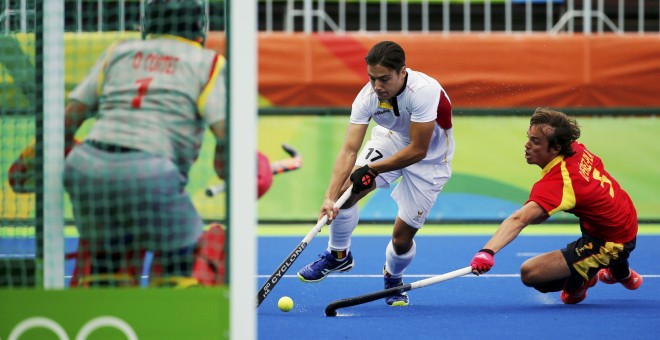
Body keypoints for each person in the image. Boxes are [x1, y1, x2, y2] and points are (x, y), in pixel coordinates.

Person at [62, 0, 226, 287]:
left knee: (108, 256)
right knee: (194, 254)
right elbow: (225, 133)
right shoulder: (208, 62)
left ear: (147, 24)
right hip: (151, 173)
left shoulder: (118, 51)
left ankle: (105, 314)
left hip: (85, 169)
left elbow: (70, 118)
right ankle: (176, 308)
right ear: (200, 29)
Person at [296, 40, 454, 306]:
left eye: (384, 79)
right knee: (346, 194)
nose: (377, 86)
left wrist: (372, 169)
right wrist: (329, 198)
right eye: (372, 79)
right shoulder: (367, 97)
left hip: (430, 159)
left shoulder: (423, 91)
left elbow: (418, 150)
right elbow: (349, 150)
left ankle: (393, 277)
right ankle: (338, 255)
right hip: (390, 139)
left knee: (402, 239)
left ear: (402, 72)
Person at [470, 107, 642, 304]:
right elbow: (541, 215)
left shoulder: (560, 183)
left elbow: (519, 219)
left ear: (556, 148)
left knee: (531, 273)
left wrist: (487, 252)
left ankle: (583, 280)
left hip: (612, 240)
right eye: (528, 137)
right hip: (623, 212)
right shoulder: (577, 148)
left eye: (535, 142)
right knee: (598, 223)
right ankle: (622, 273)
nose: (527, 145)